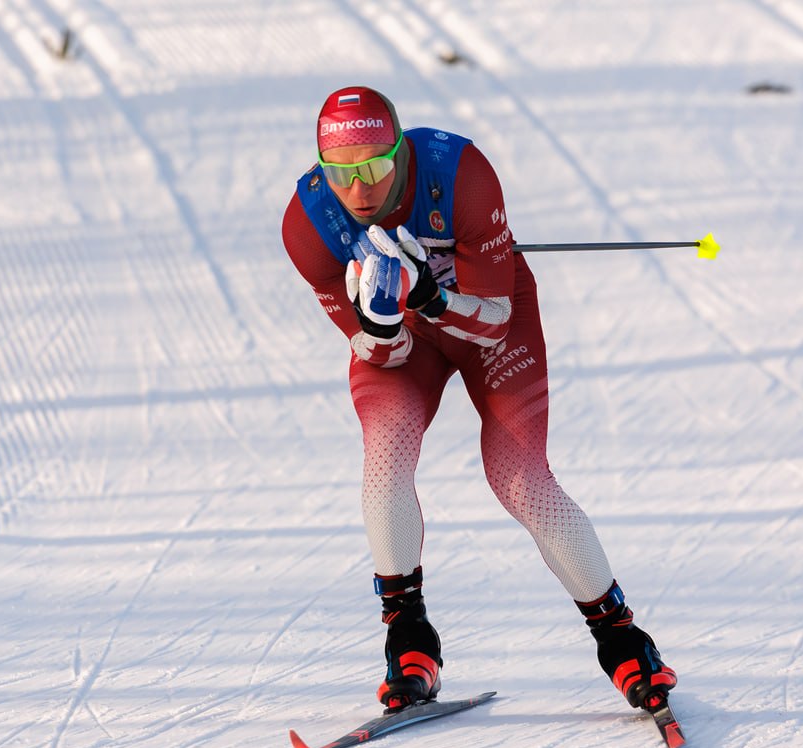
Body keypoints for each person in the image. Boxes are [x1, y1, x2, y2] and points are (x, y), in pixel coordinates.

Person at [281, 86, 677, 714]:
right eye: (342, 173)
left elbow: (493, 321)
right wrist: (382, 325)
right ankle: (409, 639)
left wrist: (431, 297)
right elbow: (385, 358)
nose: (360, 190)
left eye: (377, 168)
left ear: (403, 155)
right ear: (319, 169)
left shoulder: (458, 174)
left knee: (518, 476)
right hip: (412, 340)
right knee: (384, 465)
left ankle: (624, 640)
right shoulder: (308, 227)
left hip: (489, 321)